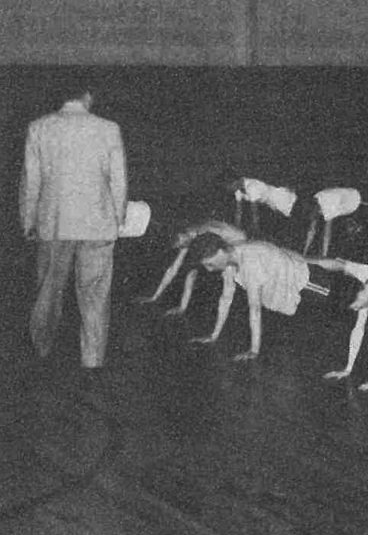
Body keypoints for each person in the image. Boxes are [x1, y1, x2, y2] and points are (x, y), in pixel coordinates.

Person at [20, 85, 127, 370]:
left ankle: (41, 351)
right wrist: (118, 219)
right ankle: (92, 360)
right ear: (87, 97)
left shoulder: (38, 128)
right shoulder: (108, 129)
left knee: (48, 292)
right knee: (95, 296)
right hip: (98, 225)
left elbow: (31, 181)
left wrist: (28, 220)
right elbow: (119, 179)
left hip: (54, 225)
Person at [188, 233, 368, 360]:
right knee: (313, 262)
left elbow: (255, 308)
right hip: (290, 265)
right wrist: (214, 335)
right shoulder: (230, 259)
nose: (209, 270)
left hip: (307, 284)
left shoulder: (249, 263)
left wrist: (254, 350)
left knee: (350, 306)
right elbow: (226, 298)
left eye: (210, 264)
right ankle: (351, 270)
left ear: (220, 252)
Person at [137, 219, 247, 316]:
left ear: (181, 233)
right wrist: (155, 296)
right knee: (192, 271)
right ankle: (182, 307)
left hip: (238, 243)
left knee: (226, 278)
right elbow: (174, 268)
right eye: (180, 246)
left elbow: (236, 236)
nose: (182, 246)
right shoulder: (189, 238)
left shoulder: (203, 231)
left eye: (180, 243)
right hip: (226, 245)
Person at [298, 187, 368, 257]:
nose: (314, 218)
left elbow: (327, 234)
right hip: (342, 207)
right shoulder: (315, 199)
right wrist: (304, 253)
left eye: (314, 215)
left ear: (316, 208)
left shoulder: (328, 204)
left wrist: (323, 257)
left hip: (359, 200)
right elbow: (311, 230)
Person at [223, 176, 297, 236]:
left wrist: (256, 229)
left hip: (282, 199)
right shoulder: (238, 190)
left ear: (236, 181)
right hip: (271, 205)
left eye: (230, 186)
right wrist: (236, 228)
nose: (229, 189)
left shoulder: (252, 186)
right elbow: (239, 211)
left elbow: (254, 212)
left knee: (293, 220)